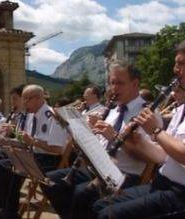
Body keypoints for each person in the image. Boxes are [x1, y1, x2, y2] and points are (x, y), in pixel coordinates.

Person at [92, 36, 185, 219]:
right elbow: (164, 156)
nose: (175, 70)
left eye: (181, 63)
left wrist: (156, 131)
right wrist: (138, 141)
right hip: (164, 184)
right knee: (100, 205)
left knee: (108, 215)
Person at [41, 59, 162, 219]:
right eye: (112, 83)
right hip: (99, 169)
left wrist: (115, 137)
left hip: (125, 174)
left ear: (135, 83)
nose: (114, 89)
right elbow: (97, 146)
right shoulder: (113, 110)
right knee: (50, 181)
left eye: (119, 83)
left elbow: (148, 158)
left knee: (82, 194)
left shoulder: (148, 113)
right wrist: (83, 133)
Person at [0, 84, 69, 219]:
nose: (24, 103)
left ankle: (10, 212)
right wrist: (10, 136)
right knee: (3, 165)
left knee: (13, 169)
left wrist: (33, 142)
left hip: (49, 159)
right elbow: (27, 141)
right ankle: (5, 207)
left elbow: (57, 149)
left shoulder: (53, 116)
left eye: (26, 99)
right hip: (33, 155)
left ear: (38, 98)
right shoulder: (31, 115)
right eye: (23, 99)